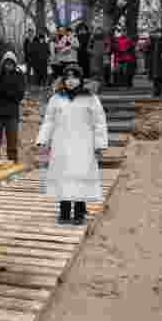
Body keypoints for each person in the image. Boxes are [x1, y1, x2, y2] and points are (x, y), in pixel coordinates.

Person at [35, 63, 108, 225]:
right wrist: (42, 139)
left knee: (80, 176)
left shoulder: (90, 98)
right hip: (62, 144)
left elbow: (99, 121)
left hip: (84, 144)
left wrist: (100, 144)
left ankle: (80, 211)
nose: (70, 81)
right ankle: (65, 210)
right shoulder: (56, 98)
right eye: (67, 78)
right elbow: (49, 120)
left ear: (81, 79)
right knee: (64, 177)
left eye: (74, 77)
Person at [0, 51, 26, 162]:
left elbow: (18, 95)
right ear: (2, 64)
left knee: (12, 145)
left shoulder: (19, 76)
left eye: (11, 63)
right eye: (6, 63)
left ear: (15, 64)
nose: (8, 66)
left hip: (11, 114)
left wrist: (2, 90)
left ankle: (13, 166)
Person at [147, 27, 162, 97]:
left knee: (161, 77)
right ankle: (156, 92)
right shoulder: (153, 40)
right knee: (155, 78)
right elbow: (149, 50)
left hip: (161, 62)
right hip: (154, 62)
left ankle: (160, 91)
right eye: (157, 33)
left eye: (159, 33)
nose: (158, 34)